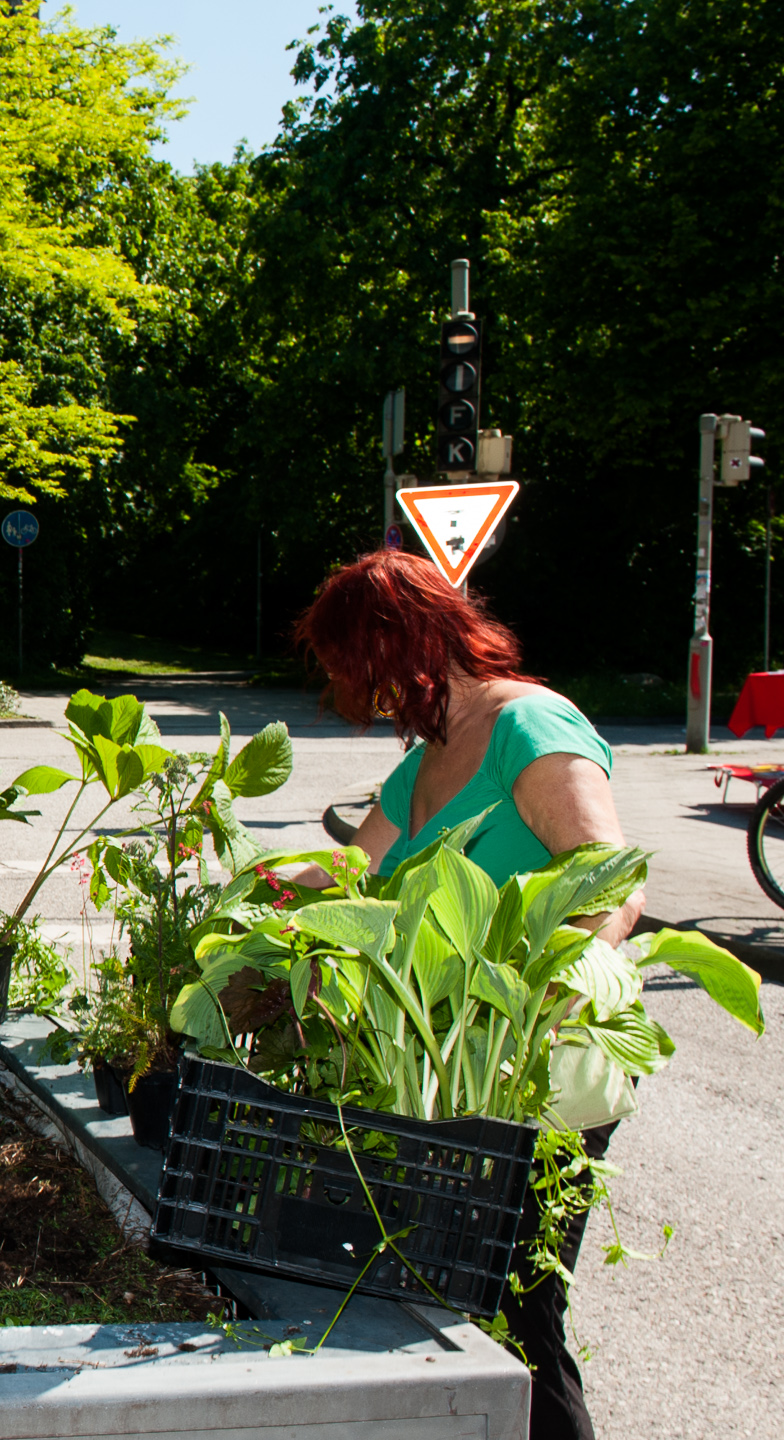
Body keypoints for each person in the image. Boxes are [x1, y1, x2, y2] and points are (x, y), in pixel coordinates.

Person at [293, 548, 640, 1440]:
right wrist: (268, 889)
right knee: (450, 1311)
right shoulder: (427, 758)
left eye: (353, 669)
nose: (356, 697)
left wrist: (529, 1004)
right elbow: (352, 875)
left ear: (396, 643)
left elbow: (611, 883)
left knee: (518, 1318)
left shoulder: (533, 725)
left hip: (539, 1070)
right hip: (452, 1084)